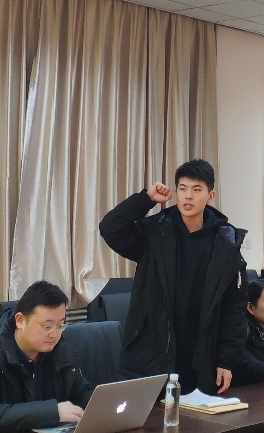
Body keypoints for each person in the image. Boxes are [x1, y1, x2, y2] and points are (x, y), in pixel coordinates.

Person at [99, 159, 247, 395]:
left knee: (198, 417)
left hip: (201, 354)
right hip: (153, 352)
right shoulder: (155, 232)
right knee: (152, 417)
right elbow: (110, 227)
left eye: (196, 189)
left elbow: (234, 308)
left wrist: (226, 360)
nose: (188, 196)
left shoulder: (227, 243)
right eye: (182, 188)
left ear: (210, 196)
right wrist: (146, 199)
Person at [0, 280, 94, 433]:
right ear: (20, 320)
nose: (54, 335)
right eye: (47, 327)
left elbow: (80, 393)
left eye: (60, 325)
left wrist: (103, 404)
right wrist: (52, 412)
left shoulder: (61, 353)